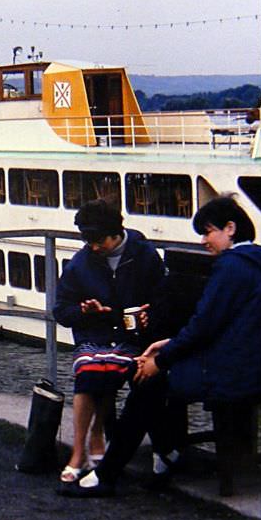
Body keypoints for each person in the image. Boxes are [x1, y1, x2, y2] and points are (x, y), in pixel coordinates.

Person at [60, 195, 261, 497]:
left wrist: (162, 358)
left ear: (230, 228)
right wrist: (167, 345)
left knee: (148, 380)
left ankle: (110, 472)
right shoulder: (256, 261)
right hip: (250, 361)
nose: (204, 240)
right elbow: (218, 325)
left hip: (234, 371)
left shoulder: (231, 267)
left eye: (208, 232)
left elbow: (203, 325)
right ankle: (164, 453)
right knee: (154, 371)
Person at [53, 199, 165, 484]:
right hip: (96, 335)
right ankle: (81, 450)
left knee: (103, 369)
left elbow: (162, 298)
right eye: (87, 240)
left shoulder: (144, 255)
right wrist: (84, 310)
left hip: (131, 337)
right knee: (92, 369)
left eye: (98, 240)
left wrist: (149, 313)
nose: (93, 247)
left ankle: (95, 437)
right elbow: (61, 310)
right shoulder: (81, 263)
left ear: (116, 233)